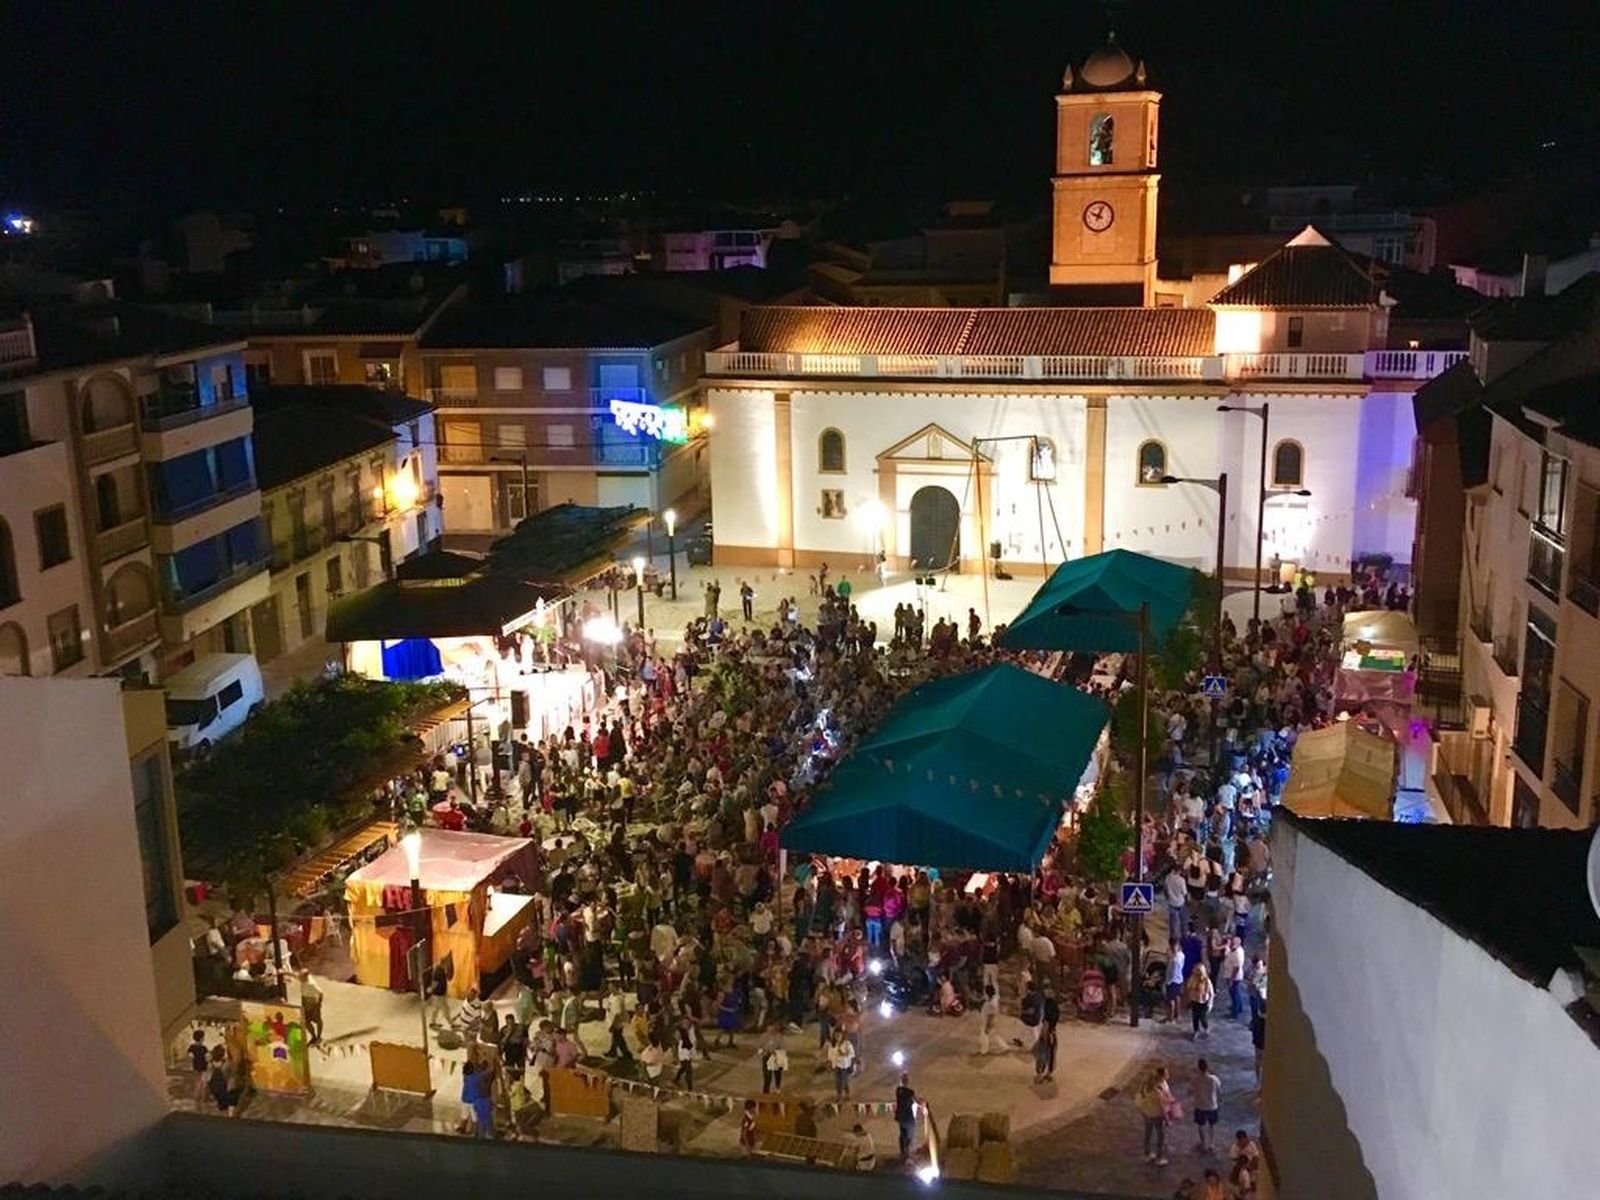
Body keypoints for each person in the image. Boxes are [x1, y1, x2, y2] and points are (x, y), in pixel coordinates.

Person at [1135, 1065, 1175, 1166]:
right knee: (1160, 1136)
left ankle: (1147, 1154)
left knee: (1148, 1133)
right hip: (1156, 1116)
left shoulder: (1145, 1085)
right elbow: (1161, 1108)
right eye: (1166, 1074)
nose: (1168, 1075)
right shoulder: (1157, 1092)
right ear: (1161, 1076)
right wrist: (1167, 1120)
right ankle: (1159, 1158)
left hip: (1147, 1113)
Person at [1191, 1058, 1222, 1155]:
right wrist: (1219, 1099)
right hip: (1212, 1106)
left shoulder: (1195, 1079)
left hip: (1200, 1106)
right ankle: (1211, 1143)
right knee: (1212, 1125)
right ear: (1207, 1067)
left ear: (1198, 1068)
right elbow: (1219, 1090)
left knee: (1201, 1126)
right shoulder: (1214, 1079)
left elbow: (1190, 1091)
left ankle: (1203, 1142)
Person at [1184, 963, 1215, 1040]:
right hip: (1195, 1001)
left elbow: (1211, 993)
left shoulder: (1207, 981)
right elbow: (1188, 988)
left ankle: (1206, 1027)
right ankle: (1196, 1031)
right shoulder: (1192, 979)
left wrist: (1210, 1004)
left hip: (1203, 1002)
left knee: (1202, 1017)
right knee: (1195, 1017)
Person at [894, 1072, 919, 1164]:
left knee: (902, 1135)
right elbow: (916, 1101)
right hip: (908, 1117)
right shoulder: (910, 1092)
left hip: (900, 1117)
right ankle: (907, 1155)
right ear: (908, 1081)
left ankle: (902, 1152)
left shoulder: (898, 1090)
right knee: (909, 1136)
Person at [295, 967, 323, 1044]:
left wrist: (319, 1003)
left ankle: (319, 1036)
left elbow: (321, 993)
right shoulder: (302, 978)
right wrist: (283, 972)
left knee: (318, 1020)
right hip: (305, 1000)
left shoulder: (311, 984)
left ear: (305, 977)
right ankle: (313, 1036)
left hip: (312, 1002)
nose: (299, 978)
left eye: (301, 977)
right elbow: (293, 975)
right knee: (306, 1021)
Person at [827, 1028, 856, 1099]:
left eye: (839, 1035)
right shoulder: (832, 1045)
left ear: (842, 1036)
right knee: (837, 1082)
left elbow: (852, 1054)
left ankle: (846, 1094)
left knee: (844, 1081)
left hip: (844, 1066)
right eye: (836, 1035)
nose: (837, 1037)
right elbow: (830, 1055)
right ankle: (839, 1095)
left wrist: (844, 1054)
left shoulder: (847, 1043)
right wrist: (829, 1064)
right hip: (836, 1066)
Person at [759, 1026, 788, 1093]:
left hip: (776, 1057)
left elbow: (783, 1048)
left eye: (773, 1029)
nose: (771, 1031)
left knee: (777, 1074)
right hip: (767, 1057)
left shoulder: (779, 1037)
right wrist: (763, 1053)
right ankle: (766, 1091)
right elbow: (759, 1048)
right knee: (767, 1076)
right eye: (769, 1029)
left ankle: (777, 1088)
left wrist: (777, 1052)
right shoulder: (763, 1036)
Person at [187, 1029, 211, 1109]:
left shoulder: (191, 1047)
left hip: (196, 1067)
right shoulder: (204, 1048)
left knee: (197, 1083)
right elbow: (208, 1058)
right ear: (201, 1038)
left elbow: (190, 1057)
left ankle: (196, 1100)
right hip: (204, 1067)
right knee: (204, 1084)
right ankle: (203, 1100)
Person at [1165, 941, 1186, 1023]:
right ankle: (1178, 1014)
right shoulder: (1181, 955)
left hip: (1172, 980)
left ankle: (1170, 1017)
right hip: (1179, 978)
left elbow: (1171, 971)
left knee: (1171, 999)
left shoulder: (1174, 958)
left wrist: (1168, 981)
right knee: (1177, 996)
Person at [978, 983, 1000, 1055]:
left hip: (987, 1021)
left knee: (985, 1035)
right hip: (985, 1019)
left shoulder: (992, 1003)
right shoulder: (992, 998)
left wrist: (988, 1025)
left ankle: (984, 1050)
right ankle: (1003, 1046)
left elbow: (991, 1016)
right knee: (993, 1035)